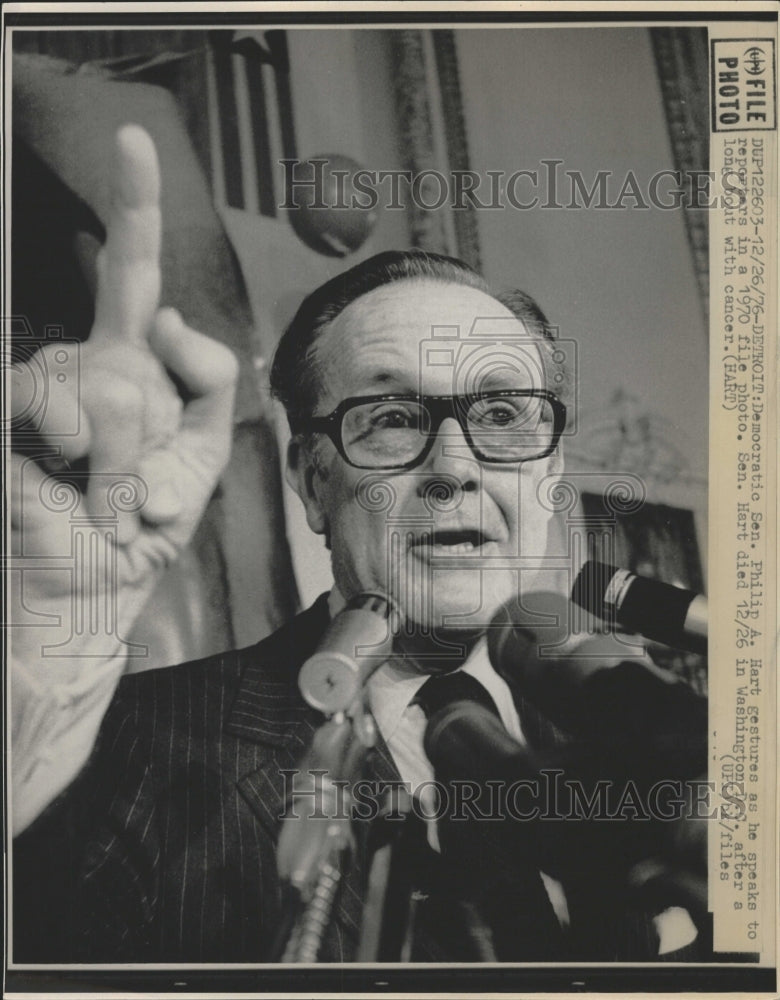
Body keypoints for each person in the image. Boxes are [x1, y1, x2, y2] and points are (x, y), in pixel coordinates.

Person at [10, 127, 705, 964]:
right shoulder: (125, 748)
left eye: (500, 417)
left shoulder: (655, 756)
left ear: (549, 471)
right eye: (390, 420)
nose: (455, 468)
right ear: (311, 479)